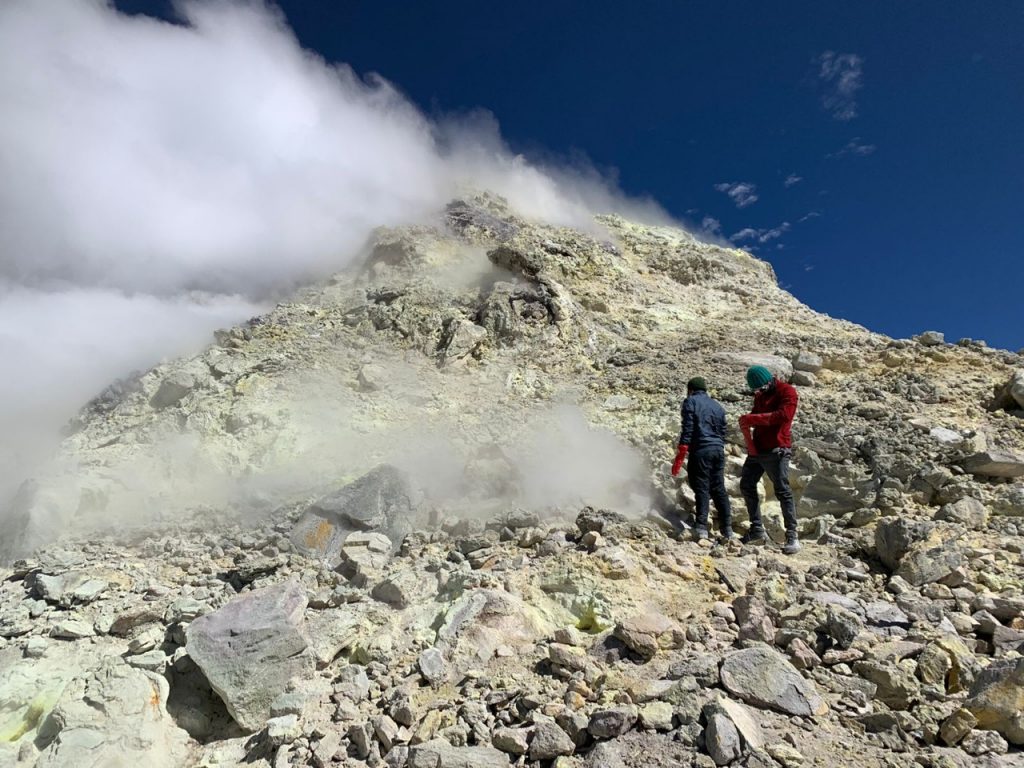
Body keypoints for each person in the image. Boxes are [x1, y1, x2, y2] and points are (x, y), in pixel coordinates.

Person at [737, 365, 800, 554]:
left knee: (782, 490)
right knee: (747, 484)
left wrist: (753, 419)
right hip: (758, 450)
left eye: (761, 389)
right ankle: (757, 530)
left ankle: (792, 536)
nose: (758, 393)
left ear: (770, 381)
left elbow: (784, 416)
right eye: (755, 391)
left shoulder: (787, 392)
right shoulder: (760, 395)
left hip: (777, 449)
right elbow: (755, 416)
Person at [671, 376, 733, 541]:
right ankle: (728, 529)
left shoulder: (690, 402)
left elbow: (688, 427)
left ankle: (701, 528)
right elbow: (722, 430)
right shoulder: (717, 406)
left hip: (701, 450)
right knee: (719, 488)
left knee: (701, 487)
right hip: (718, 450)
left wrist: (682, 451)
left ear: (690, 390)